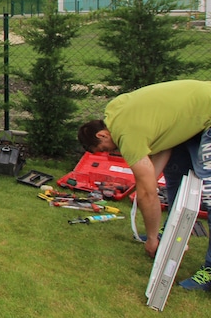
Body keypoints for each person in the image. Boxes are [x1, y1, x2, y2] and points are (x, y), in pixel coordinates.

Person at [78, 79, 211, 290]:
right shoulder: (115, 110)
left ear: (102, 134)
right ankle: (170, 235)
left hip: (207, 111)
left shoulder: (126, 135)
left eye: (103, 148)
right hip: (197, 114)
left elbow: (148, 194)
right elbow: (165, 141)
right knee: (175, 175)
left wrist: (150, 239)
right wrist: (144, 180)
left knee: (209, 194)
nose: (110, 152)